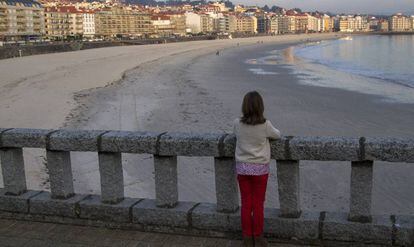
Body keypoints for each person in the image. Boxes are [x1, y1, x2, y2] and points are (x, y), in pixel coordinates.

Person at [233, 91, 281, 247]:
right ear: (261, 107)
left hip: (243, 168)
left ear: (244, 107)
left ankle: (247, 238)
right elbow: (277, 135)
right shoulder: (265, 125)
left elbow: (234, 134)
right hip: (260, 168)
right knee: (258, 203)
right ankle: (258, 238)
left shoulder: (237, 123)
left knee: (246, 203)